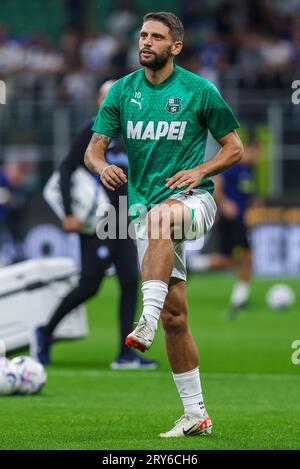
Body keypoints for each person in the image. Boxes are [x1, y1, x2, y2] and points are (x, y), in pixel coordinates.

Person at [84, 12, 243, 437]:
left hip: (194, 200)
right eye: (142, 35)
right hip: (143, 213)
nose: (146, 42)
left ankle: (144, 319)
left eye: (156, 37)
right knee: (177, 317)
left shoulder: (199, 90)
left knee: (161, 218)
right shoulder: (122, 91)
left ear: (175, 46)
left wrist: (200, 170)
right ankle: (196, 414)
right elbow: (93, 150)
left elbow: (234, 148)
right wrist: (101, 167)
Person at [31, 80, 158, 370]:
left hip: (123, 219)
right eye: (107, 97)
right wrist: (67, 213)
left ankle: (125, 353)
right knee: (90, 286)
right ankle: (45, 332)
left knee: (129, 281)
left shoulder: (134, 133)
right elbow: (66, 168)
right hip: (97, 221)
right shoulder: (94, 130)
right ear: (100, 102)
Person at [188, 141, 260, 317]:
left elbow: (247, 196)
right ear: (250, 149)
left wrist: (253, 207)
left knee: (243, 259)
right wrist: (226, 204)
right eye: (258, 151)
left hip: (241, 221)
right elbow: (217, 188)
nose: (259, 156)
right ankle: (193, 264)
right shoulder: (234, 168)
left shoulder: (250, 171)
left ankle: (239, 299)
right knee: (234, 260)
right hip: (231, 221)